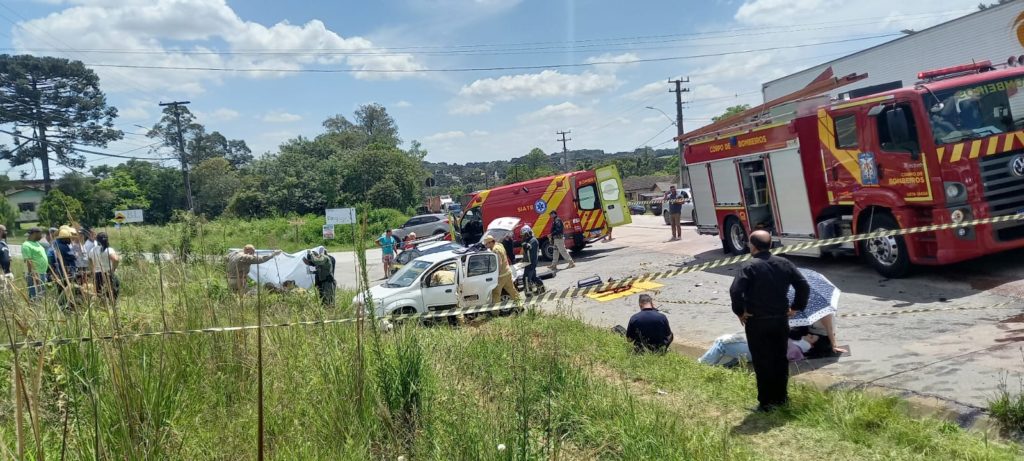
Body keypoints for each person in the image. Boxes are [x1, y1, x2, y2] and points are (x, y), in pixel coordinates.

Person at [729, 230, 810, 412]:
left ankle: (766, 402)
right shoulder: (784, 263)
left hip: (757, 322)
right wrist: (796, 307)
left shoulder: (749, 266)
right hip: (781, 320)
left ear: (753, 246)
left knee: (762, 360)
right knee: (780, 359)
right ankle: (782, 398)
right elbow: (803, 285)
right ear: (770, 244)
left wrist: (740, 312)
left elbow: (735, 291)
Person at [484, 234, 519, 303]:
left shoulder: (495, 250)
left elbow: (499, 263)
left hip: (501, 276)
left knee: (496, 294)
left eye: (486, 244)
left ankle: (495, 312)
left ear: (490, 242)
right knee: (512, 291)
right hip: (507, 272)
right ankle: (520, 306)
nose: (486, 246)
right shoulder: (500, 245)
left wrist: (495, 274)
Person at [88, 232, 120, 302]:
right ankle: (113, 307)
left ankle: (103, 309)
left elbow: (89, 259)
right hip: (108, 274)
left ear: (97, 240)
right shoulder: (109, 249)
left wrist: (92, 270)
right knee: (113, 293)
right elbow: (116, 259)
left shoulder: (93, 250)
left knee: (100, 295)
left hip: (97, 275)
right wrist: (113, 269)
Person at [21, 227, 48, 300]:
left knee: (42, 295)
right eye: (40, 234)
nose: (41, 236)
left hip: (42, 272)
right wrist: (33, 274)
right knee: (35, 295)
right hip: (35, 274)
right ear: (34, 234)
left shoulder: (36, 243)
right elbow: (28, 261)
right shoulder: (26, 245)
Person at [519, 225, 543, 294]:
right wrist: (522, 260)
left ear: (528, 233)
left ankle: (528, 294)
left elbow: (528, 247)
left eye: (524, 235)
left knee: (526, 279)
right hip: (528, 262)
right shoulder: (528, 240)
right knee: (533, 277)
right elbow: (526, 253)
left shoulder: (533, 240)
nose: (522, 237)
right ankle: (541, 289)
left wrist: (523, 243)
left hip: (531, 263)